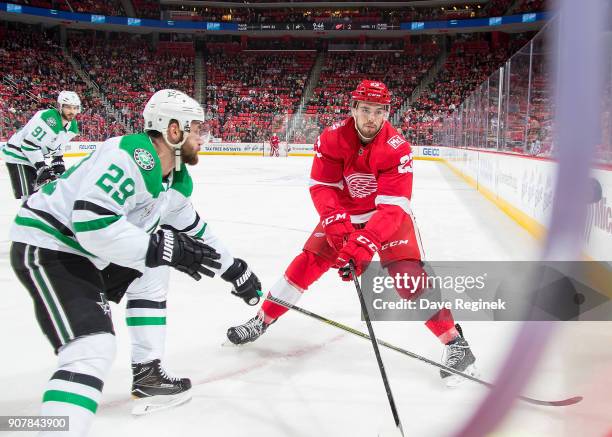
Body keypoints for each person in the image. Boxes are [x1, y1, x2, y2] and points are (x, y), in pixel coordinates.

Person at [10, 89, 262, 435]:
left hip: (84, 251)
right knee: (92, 347)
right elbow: (91, 223)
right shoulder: (131, 154)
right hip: (51, 244)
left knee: (156, 265)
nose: (204, 136)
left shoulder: (174, 178)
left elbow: (197, 232)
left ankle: (147, 372)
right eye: (197, 128)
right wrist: (164, 247)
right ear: (173, 130)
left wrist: (236, 271)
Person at [227, 80, 477, 386]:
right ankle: (261, 320)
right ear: (353, 109)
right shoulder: (331, 138)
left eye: (379, 111)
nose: (371, 118)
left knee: (406, 276)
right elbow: (322, 186)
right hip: (343, 215)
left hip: (385, 218)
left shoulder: (397, 148)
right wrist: (334, 223)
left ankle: (456, 344)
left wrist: (363, 244)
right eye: (365, 110)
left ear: (386, 113)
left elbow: (392, 208)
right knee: (307, 262)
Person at [2, 91, 81, 200]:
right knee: (30, 198)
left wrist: (58, 159)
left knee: (40, 197)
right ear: (60, 106)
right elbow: (28, 145)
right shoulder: (49, 118)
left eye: (75, 108)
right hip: (18, 154)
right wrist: (41, 167)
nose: (72, 111)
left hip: (33, 157)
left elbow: (60, 143)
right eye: (68, 107)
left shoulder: (72, 125)